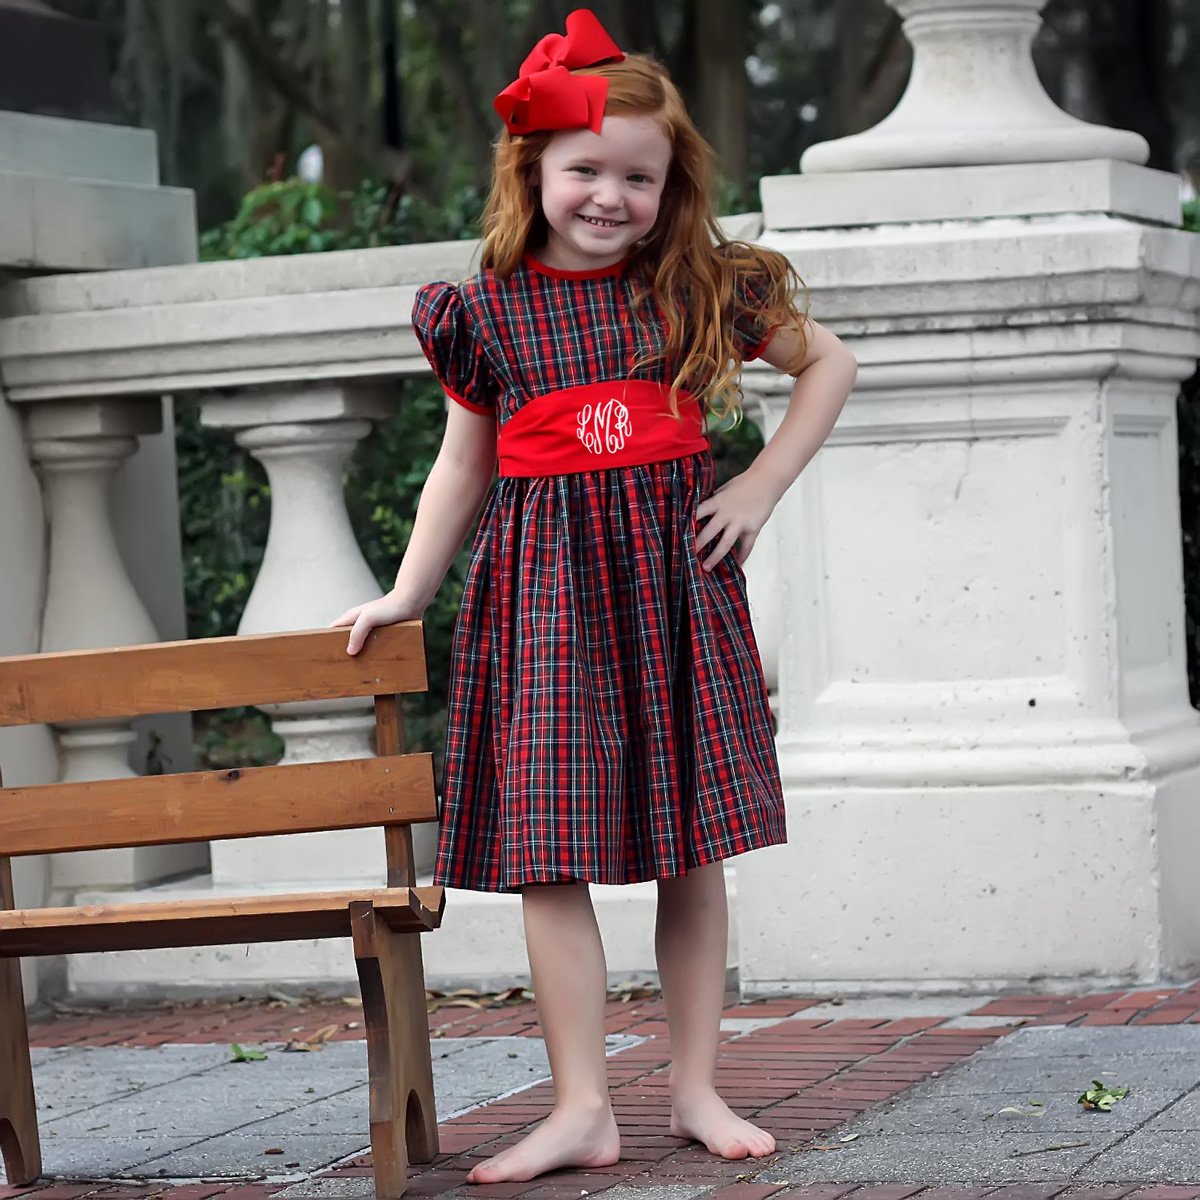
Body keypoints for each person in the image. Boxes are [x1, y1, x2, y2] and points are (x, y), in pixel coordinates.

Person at [333, 8, 857, 1184]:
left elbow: (832, 362)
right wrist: (409, 590)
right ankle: (582, 1106)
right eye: (585, 170)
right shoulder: (484, 311)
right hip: (543, 599)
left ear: (671, 187)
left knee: (693, 844)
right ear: (533, 170)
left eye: (639, 177)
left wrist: (760, 486)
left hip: (672, 590)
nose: (610, 196)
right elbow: (463, 465)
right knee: (547, 850)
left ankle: (695, 1087)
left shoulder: (695, 288)